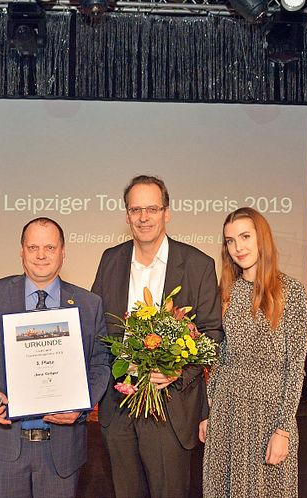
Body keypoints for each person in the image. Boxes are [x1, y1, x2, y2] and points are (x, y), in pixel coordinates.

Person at [91, 175, 224, 498]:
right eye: (136, 209)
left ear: (167, 212)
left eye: (152, 208)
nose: (143, 217)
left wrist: (177, 370)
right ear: (126, 215)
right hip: (118, 407)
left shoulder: (197, 264)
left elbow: (212, 334)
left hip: (170, 407)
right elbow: (95, 329)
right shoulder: (111, 259)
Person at [0, 217, 110, 498]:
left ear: (63, 253)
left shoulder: (89, 304)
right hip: (5, 445)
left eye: (50, 247)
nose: (41, 255)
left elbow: (100, 363)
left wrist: (81, 405)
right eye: (33, 247)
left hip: (61, 451)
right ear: (21, 251)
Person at [199, 207, 307, 498]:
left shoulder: (292, 292)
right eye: (231, 241)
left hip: (269, 411)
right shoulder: (226, 291)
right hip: (227, 408)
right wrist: (209, 409)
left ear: (262, 238)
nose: (238, 247)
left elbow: (295, 366)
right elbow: (221, 357)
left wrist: (283, 429)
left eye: (245, 236)